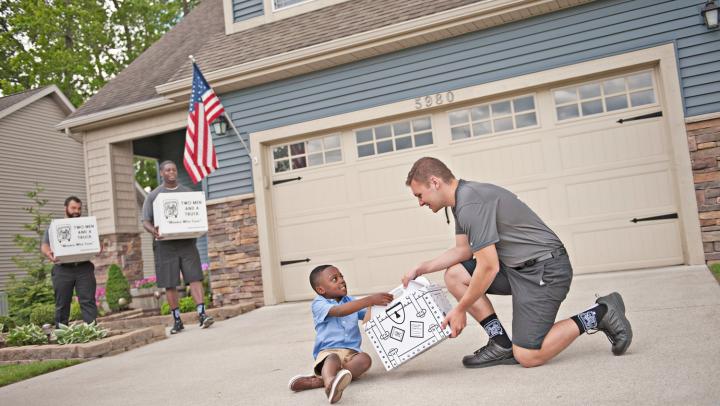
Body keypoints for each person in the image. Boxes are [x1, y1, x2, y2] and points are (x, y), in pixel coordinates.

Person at [402, 157, 632, 368]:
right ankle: (500, 345)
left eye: (419, 195)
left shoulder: (471, 204)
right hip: (517, 269)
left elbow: (489, 266)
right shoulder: (461, 201)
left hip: (546, 270)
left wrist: (460, 309)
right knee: (455, 275)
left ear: (434, 182)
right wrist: (423, 267)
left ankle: (601, 313)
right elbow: (463, 251)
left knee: (528, 355)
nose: (420, 202)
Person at [288, 264, 393, 403]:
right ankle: (330, 385)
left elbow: (368, 315)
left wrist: (379, 306)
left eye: (341, 276)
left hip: (351, 353)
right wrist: (369, 300)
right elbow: (339, 311)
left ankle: (320, 380)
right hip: (329, 352)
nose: (342, 280)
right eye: (334, 279)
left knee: (365, 360)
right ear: (321, 289)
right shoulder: (319, 304)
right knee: (333, 359)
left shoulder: (351, 301)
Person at [142, 160, 213, 334]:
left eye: (174, 169)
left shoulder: (187, 193)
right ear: (161, 173)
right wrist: (154, 232)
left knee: (195, 277)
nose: (171, 172)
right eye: (167, 170)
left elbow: (196, 215)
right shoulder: (154, 196)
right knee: (170, 283)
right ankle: (177, 320)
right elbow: (145, 221)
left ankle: (202, 315)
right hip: (164, 245)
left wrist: (200, 227)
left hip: (187, 243)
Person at [40, 196, 98, 328]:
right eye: (73, 208)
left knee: (88, 301)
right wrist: (49, 253)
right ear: (65, 208)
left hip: (84, 267)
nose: (76, 211)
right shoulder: (55, 226)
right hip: (62, 269)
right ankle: (62, 334)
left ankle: (92, 331)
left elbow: (95, 243)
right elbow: (44, 245)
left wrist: (98, 248)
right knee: (62, 304)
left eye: (79, 208)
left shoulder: (86, 226)